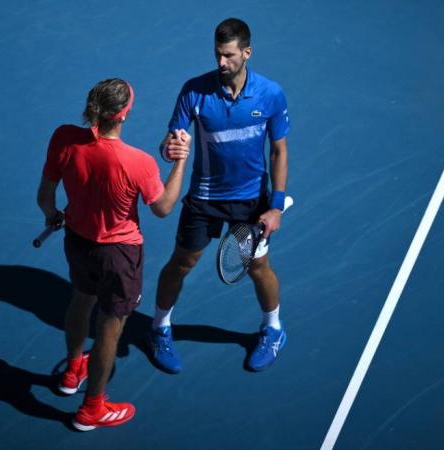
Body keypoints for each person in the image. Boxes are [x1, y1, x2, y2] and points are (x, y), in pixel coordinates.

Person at [37, 78, 190, 431]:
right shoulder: (138, 161)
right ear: (124, 114)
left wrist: (52, 215)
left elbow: (45, 196)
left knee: (80, 300)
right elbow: (163, 207)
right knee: (110, 326)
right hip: (118, 256)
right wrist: (181, 161)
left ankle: (73, 370)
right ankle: (92, 408)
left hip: (77, 242)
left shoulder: (63, 137)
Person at [150, 18, 290, 373]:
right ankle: (160, 327)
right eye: (217, 54)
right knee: (181, 263)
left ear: (246, 52)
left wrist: (275, 206)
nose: (221, 63)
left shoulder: (270, 94)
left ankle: (273, 329)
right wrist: (171, 147)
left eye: (228, 55)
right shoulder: (194, 91)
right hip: (204, 198)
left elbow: (279, 152)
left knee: (258, 267)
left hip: (250, 200)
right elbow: (171, 141)